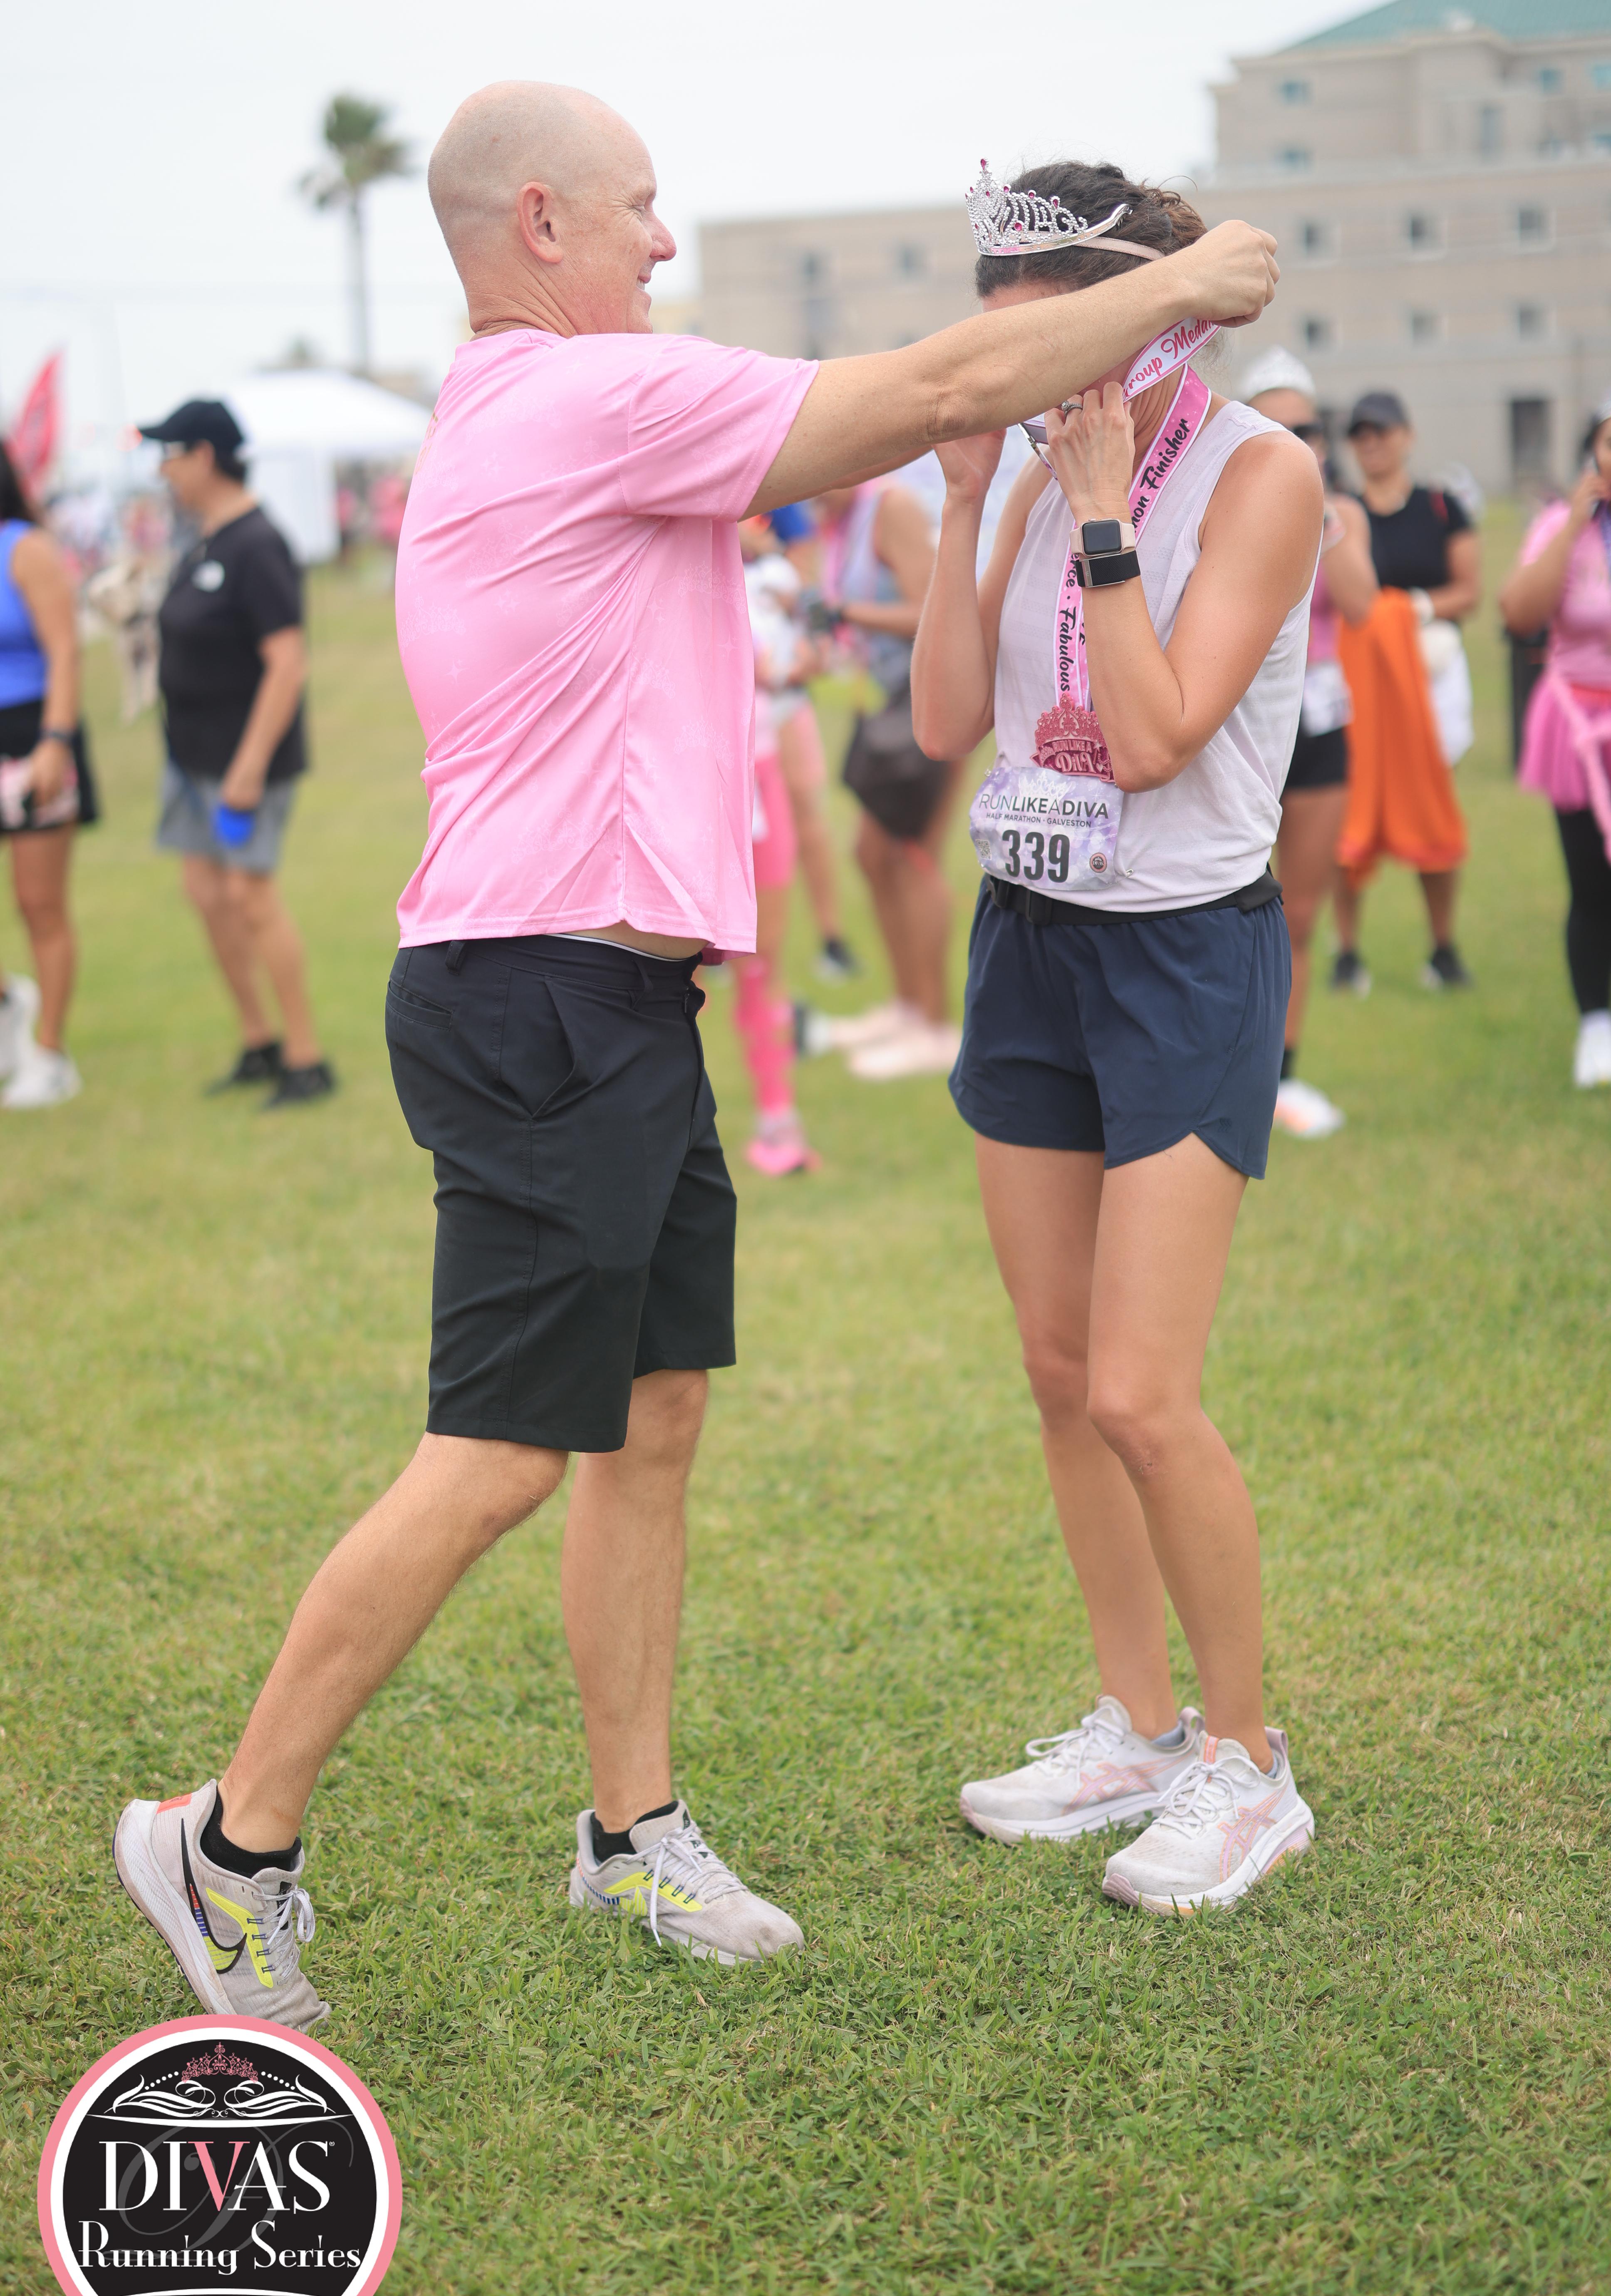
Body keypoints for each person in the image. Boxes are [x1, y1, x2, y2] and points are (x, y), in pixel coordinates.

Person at [111, 83, 1276, 2024]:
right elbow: (936, 384)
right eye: (641, 208)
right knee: (497, 1450)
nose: (665, 243)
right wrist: (1189, 278)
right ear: (542, 222)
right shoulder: (576, 394)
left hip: (616, 1000)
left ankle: (629, 1826)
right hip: (536, 995)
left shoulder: (555, 407)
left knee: (650, 1419)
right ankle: (227, 1839)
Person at [912, 158, 1319, 1915]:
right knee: (1059, 1364)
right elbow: (949, 715)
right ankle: (1137, 1723)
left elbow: (1152, 737)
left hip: (1183, 955)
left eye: (1039, 330)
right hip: (1032, 938)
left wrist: (1097, 515)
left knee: (1145, 1393)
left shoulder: (1260, 473)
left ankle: (1245, 1760)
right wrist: (963, 506)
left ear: (1142, 319)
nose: (1011, 366)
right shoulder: (1016, 464)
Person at [143, 399, 336, 1106]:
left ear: (203, 456)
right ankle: (259, 1042)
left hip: (242, 760)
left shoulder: (258, 543)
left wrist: (249, 768)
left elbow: (288, 663)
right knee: (205, 893)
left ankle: (306, 1059)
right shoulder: (201, 539)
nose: (162, 471)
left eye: (168, 455)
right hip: (189, 753)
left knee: (251, 898)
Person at [1243, 350, 1378, 1138]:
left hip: (1319, 719)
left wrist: (1320, 511)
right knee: (1223, 904)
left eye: (1307, 431)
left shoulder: (1341, 514)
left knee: (1297, 913)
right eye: (1277, 428)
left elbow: (1361, 605)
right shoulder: (1223, 502)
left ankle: (1281, 1074)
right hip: (1240, 721)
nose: (1296, 442)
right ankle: (1223, 1062)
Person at [813, 476, 967, 1079]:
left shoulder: (890, 507)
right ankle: (907, 1008)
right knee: (874, 856)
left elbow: (935, 612)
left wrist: (846, 613)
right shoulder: (842, 519)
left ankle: (934, 1025)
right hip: (888, 704)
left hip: (931, 702)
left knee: (912, 858)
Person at [1333, 391, 1481, 995]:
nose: (1371, 442)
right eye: (1360, 432)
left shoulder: (1440, 507)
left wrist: (1413, 609)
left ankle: (1443, 945)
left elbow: (1468, 589)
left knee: (1429, 801)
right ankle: (1347, 950)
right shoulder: (1342, 514)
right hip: (1359, 679)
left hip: (1429, 669)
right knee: (1349, 806)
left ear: (1407, 435)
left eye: (1382, 430)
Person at [1500, 398, 1611, 1088]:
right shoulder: (1562, 525)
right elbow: (1519, 614)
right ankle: (1596, 1022)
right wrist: (1572, 523)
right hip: (1580, 726)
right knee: (1591, 881)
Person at [0, 438, 98, 1109]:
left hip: (33, 735)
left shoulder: (26, 548)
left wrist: (55, 742)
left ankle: (51, 1053)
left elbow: (65, 651)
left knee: (39, 904)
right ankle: (13, 1002)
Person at [736, 515, 818, 1173]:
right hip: (689, 786)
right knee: (668, 968)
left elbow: (797, 662)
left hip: (758, 773)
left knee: (764, 957)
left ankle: (777, 1116)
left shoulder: (769, 578)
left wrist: (804, 654)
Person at [766, 499, 859, 981]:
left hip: (783, 696)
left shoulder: (773, 499)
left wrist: (816, 639)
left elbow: (807, 576)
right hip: (720, 700)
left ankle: (831, 939)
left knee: (807, 815)